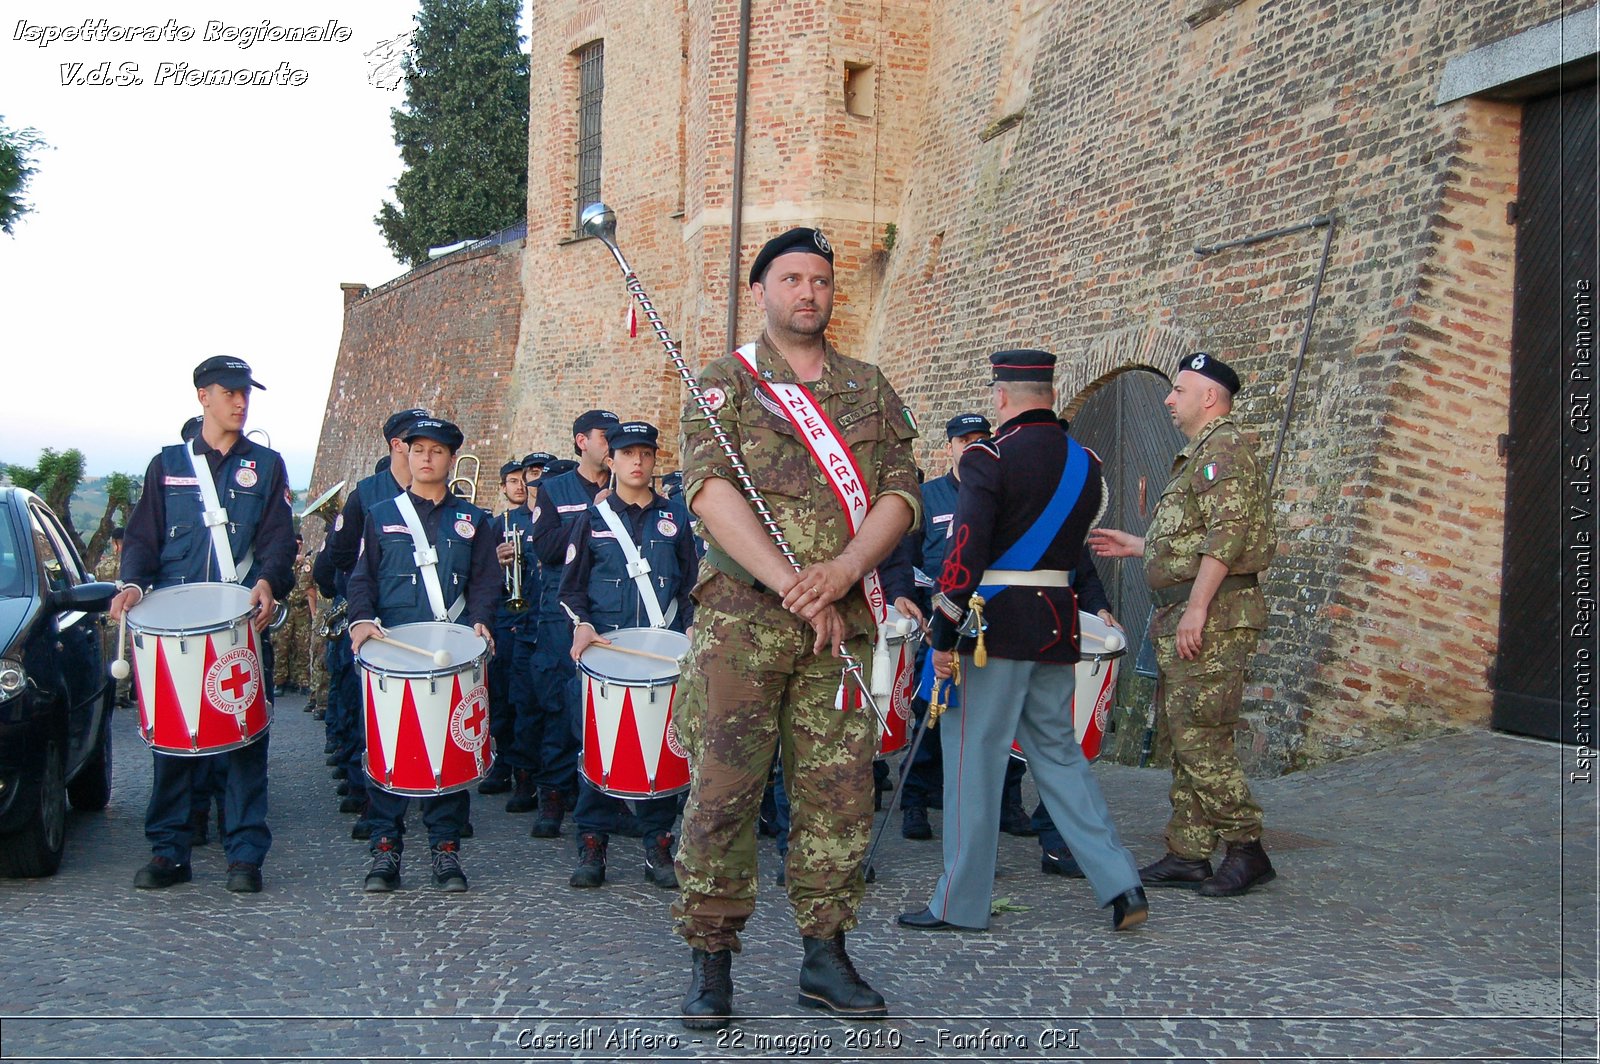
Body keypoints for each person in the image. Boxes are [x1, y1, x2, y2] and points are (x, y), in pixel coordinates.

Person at [674, 226, 919, 1028]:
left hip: (839, 629)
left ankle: (826, 953)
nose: (807, 292)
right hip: (745, 624)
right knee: (724, 793)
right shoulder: (725, 385)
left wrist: (842, 574)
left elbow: (900, 494)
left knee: (840, 793)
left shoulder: (869, 387)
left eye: (819, 280)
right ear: (761, 290)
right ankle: (712, 959)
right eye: (790, 278)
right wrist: (792, 586)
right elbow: (710, 494)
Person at [897, 349, 1147, 935]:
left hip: (991, 629)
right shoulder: (1087, 464)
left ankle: (959, 905)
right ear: (1050, 392)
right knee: (1060, 758)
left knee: (971, 765)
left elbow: (965, 553)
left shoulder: (988, 458)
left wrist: (943, 632)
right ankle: (1120, 881)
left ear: (1001, 396)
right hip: (1055, 624)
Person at [1088, 351, 1276, 897]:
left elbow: (1228, 537)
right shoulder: (1199, 455)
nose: (1169, 399)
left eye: (1179, 390)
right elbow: (1195, 541)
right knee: (1181, 733)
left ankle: (1246, 845)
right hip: (1187, 611)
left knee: (1200, 737)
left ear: (1209, 397)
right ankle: (1189, 852)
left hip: (1213, 616)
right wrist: (1143, 548)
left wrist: (1196, 608)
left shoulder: (1226, 449)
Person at [109, 357, 295, 893]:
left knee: (244, 742)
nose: (240, 402)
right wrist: (132, 583)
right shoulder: (166, 464)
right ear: (202, 396)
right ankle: (169, 853)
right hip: (176, 631)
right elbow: (144, 537)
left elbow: (278, 538)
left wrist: (268, 582)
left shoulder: (267, 463)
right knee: (172, 742)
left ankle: (244, 856)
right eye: (230, 392)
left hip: (237, 624)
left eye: (245, 394)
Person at [346, 417, 500, 892]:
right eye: (419, 450)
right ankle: (385, 849)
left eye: (437, 451)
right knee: (389, 748)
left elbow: (486, 581)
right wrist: (360, 619)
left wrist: (481, 620)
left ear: (451, 459)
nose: (427, 458)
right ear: (406, 455)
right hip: (393, 649)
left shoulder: (473, 520)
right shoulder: (379, 514)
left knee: (449, 748)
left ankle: (446, 850)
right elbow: (362, 579)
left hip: (450, 650)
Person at [559, 420, 697, 890]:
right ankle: (592, 842)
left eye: (646, 453)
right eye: (627, 453)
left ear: (655, 461)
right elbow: (570, 589)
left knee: (662, 750)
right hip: (608, 656)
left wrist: (694, 629)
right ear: (611, 461)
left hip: (661, 655)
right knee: (598, 749)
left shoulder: (676, 517)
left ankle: (658, 842)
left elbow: (692, 584)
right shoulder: (591, 520)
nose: (637, 462)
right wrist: (581, 625)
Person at [313, 408, 428, 829]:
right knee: (370, 711)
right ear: (398, 445)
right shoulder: (368, 493)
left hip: (422, 615)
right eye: (416, 442)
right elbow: (341, 553)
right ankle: (369, 799)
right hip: (375, 616)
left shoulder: (436, 491)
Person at [526, 411, 621, 837]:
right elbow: (544, 548)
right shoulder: (554, 490)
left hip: (611, 614)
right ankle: (553, 793)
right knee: (560, 704)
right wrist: (592, 517)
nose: (612, 443)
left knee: (610, 711)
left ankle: (610, 796)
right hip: (561, 613)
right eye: (606, 436)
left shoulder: (628, 489)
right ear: (582, 441)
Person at [479, 459, 532, 799]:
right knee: (498, 696)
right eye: (511, 481)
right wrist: (497, 561)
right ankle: (500, 765)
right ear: (502, 487)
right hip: (503, 617)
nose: (518, 487)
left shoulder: (539, 520)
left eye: (522, 481)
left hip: (530, 617)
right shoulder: (496, 526)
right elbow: (482, 578)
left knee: (525, 698)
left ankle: (524, 770)